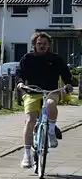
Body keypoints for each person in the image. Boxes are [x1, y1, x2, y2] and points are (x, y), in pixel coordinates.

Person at [17, 30, 75, 167]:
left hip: (50, 91)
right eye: (39, 43)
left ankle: (51, 131)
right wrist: (19, 82)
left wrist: (68, 84)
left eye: (44, 44)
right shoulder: (27, 58)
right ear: (34, 44)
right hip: (32, 92)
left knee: (50, 103)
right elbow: (19, 73)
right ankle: (27, 156)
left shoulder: (55, 59)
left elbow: (65, 73)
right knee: (30, 120)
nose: (42, 46)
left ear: (49, 45)